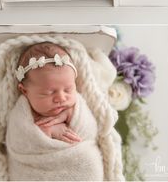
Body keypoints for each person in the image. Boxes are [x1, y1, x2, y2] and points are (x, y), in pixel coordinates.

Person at [6, 42, 105, 180]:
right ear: (24, 91)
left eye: (68, 89)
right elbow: (19, 141)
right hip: (36, 169)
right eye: (48, 93)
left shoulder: (78, 107)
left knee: (89, 161)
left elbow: (91, 131)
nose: (61, 98)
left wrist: (70, 115)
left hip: (77, 159)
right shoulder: (21, 114)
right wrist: (48, 131)